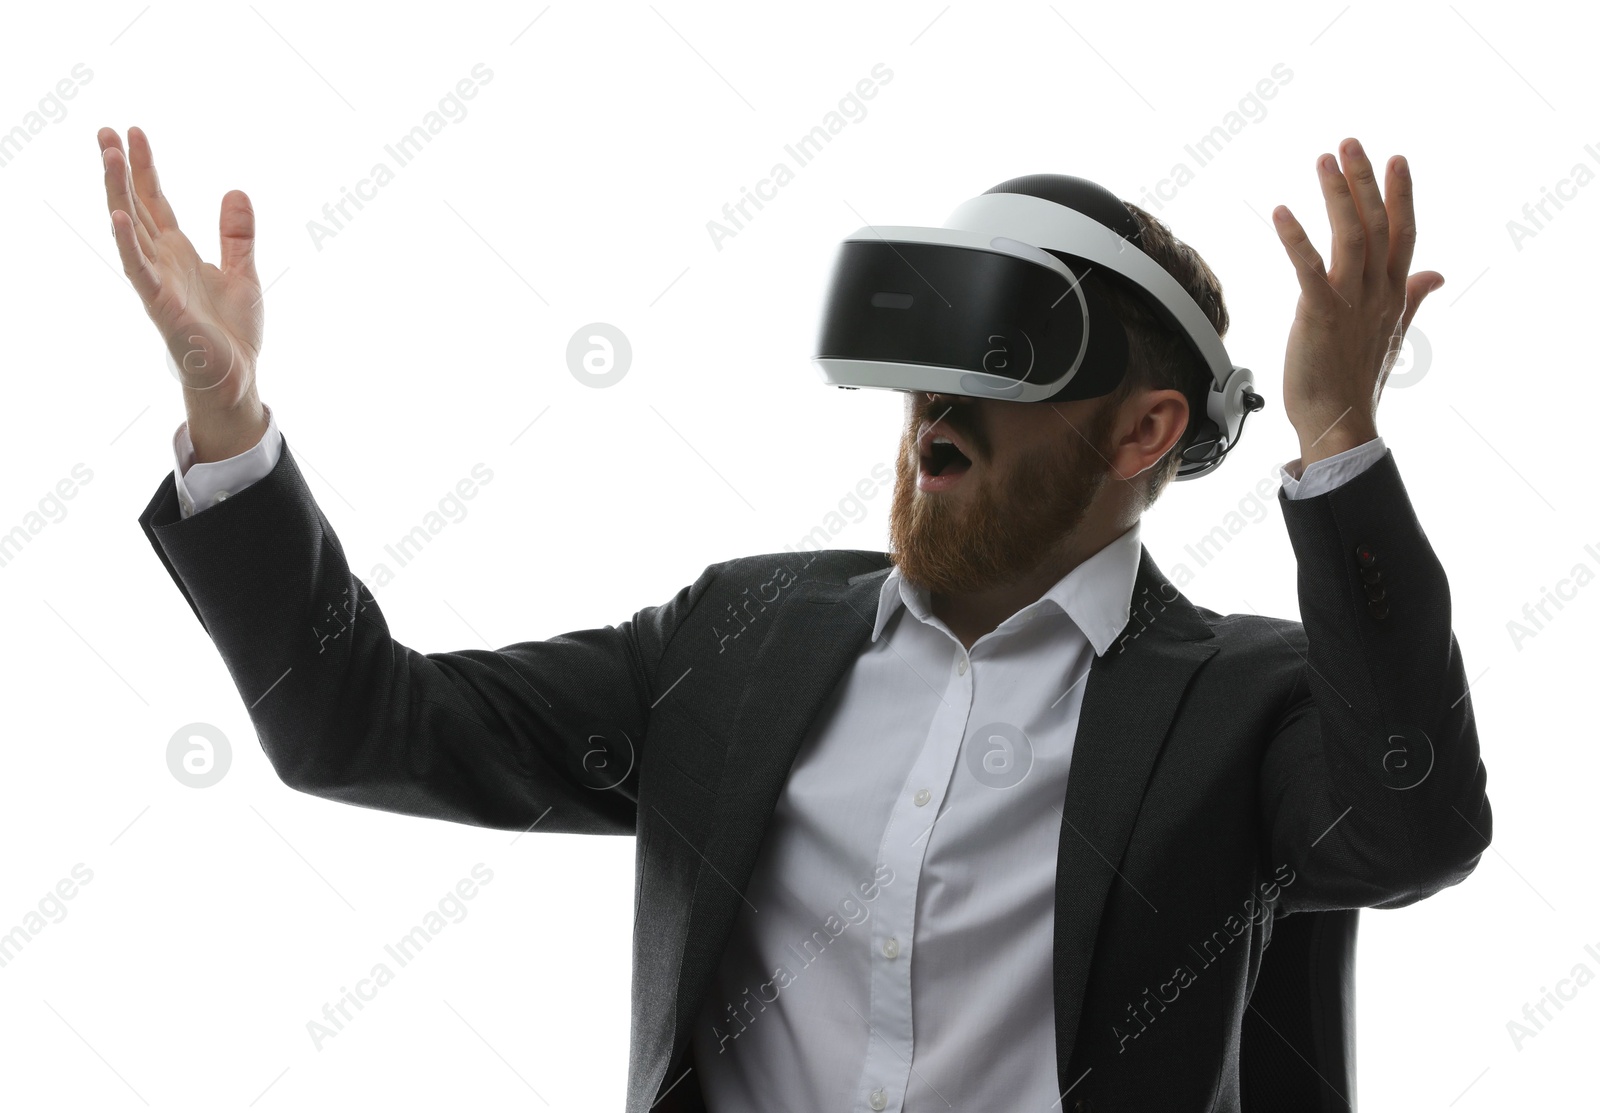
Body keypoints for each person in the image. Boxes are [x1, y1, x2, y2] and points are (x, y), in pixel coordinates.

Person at [103, 124, 1491, 1112]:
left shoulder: (1242, 704)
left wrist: (1337, 437)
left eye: (999, 363)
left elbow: (1415, 826)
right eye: (927, 361)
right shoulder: (739, 638)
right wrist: (229, 432)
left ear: (1144, 429)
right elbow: (359, 722)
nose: (935, 406)